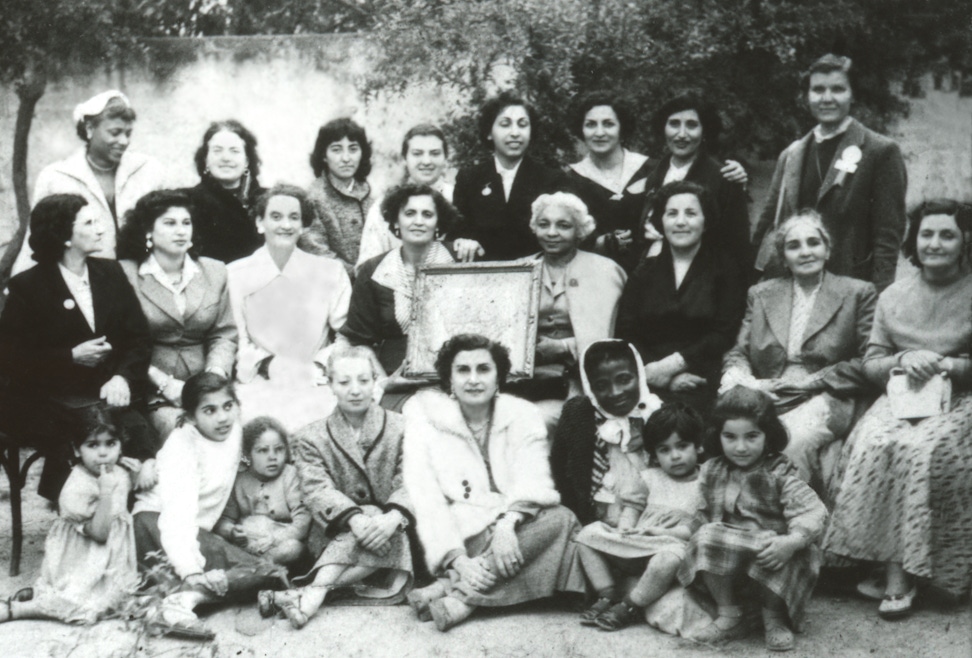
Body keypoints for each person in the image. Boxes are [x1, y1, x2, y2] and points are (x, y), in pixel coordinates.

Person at [824, 200, 972, 619]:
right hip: (903, 394)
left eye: (947, 234)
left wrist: (946, 364)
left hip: (962, 398)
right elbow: (872, 362)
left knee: (923, 451)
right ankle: (875, 563)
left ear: (965, 241)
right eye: (927, 234)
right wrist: (903, 360)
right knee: (873, 441)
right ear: (914, 240)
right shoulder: (894, 295)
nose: (935, 243)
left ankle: (908, 576)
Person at [402, 334, 586, 631]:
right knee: (559, 534)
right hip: (459, 532)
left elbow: (534, 479)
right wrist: (458, 561)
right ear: (449, 378)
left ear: (498, 376)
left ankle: (459, 596)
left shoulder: (523, 414)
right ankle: (458, 582)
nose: (473, 379)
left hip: (513, 529)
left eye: (483, 369)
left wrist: (506, 525)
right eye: (463, 370)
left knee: (562, 519)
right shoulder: (429, 422)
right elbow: (426, 498)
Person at [0, 194, 152, 500]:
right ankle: (75, 508)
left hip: (105, 391)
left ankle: (126, 514)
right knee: (94, 428)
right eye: (89, 223)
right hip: (48, 399)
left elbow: (139, 337)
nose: (100, 229)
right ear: (64, 236)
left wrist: (122, 376)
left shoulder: (109, 273)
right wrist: (70, 357)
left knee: (135, 429)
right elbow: (10, 358)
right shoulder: (28, 287)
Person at [721, 211, 876, 500]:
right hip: (770, 392)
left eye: (813, 243)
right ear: (783, 256)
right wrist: (747, 381)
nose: (805, 252)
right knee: (735, 435)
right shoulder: (762, 294)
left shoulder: (858, 293)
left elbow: (871, 359)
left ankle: (791, 521)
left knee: (789, 439)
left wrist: (815, 381)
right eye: (794, 246)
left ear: (827, 250)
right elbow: (738, 352)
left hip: (827, 393)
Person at [262, 346, 415, 629]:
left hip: (389, 530)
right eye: (344, 382)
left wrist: (392, 518)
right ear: (330, 385)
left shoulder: (402, 427)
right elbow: (317, 489)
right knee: (369, 512)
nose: (355, 390)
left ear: (374, 382)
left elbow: (411, 479)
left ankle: (310, 593)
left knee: (390, 523)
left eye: (363, 380)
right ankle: (317, 591)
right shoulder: (310, 436)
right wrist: (356, 519)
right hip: (334, 533)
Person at [133, 373, 286, 637]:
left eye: (228, 406)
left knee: (274, 575)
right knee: (268, 573)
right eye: (210, 410)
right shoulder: (182, 448)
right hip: (155, 526)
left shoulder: (235, 431)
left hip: (195, 531)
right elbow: (176, 519)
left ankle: (178, 600)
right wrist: (191, 570)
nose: (223, 417)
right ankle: (180, 602)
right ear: (191, 416)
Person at [678, 386, 827, 651]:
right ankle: (730, 614)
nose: (741, 447)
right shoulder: (713, 469)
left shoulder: (781, 472)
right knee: (706, 535)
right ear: (718, 436)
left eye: (751, 436)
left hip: (773, 556)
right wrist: (671, 532)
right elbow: (698, 517)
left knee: (793, 550)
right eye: (730, 437)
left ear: (767, 435)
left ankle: (774, 617)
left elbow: (813, 511)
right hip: (729, 563)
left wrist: (791, 541)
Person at [751, 54, 908, 292]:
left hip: (849, 290)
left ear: (852, 94)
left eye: (837, 89)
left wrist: (877, 300)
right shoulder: (791, 154)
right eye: (818, 90)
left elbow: (887, 238)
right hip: (793, 288)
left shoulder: (880, 152)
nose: (827, 98)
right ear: (807, 97)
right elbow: (767, 225)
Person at [574, 400, 706, 633]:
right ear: (654, 454)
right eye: (664, 450)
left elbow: (697, 528)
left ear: (698, 447)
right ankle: (607, 593)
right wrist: (625, 529)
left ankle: (630, 605)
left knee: (672, 556)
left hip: (669, 546)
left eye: (682, 446)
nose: (674, 456)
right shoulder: (650, 477)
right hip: (637, 544)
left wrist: (661, 532)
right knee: (587, 534)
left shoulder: (706, 482)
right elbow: (632, 508)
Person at [0, 408, 141, 625]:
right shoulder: (76, 487)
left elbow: (123, 502)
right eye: (92, 445)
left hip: (113, 555)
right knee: (85, 606)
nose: (103, 453)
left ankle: (43, 593)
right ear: (77, 449)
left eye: (110, 443)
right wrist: (105, 493)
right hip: (83, 555)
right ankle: (20, 609)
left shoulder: (119, 471)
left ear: (121, 446)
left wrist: (139, 474)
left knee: (120, 599)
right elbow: (100, 534)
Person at [228, 184, 351, 430]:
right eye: (276, 217)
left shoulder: (330, 271)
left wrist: (318, 365)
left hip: (317, 381)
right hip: (259, 381)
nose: (285, 225)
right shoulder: (235, 274)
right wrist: (266, 364)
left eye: (294, 217)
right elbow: (236, 338)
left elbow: (347, 335)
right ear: (259, 223)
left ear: (304, 225)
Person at [117, 189, 238, 439]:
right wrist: (163, 384)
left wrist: (214, 377)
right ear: (147, 231)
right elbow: (121, 343)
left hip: (209, 386)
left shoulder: (214, 271)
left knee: (238, 429)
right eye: (170, 223)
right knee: (184, 433)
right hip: (153, 389)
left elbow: (224, 333)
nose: (181, 231)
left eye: (186, 223)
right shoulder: (125, 274)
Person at [616, 181, 746, 411]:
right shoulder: (644, 271)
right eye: (672, 213)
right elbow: (627, 329)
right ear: (661, 221)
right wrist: (656, 372)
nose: (681, 222)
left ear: (705, 222)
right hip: (648, 376)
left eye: (691, 213)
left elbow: (724, 334)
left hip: (701, 377)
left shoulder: (726, 269)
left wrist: (673, 365)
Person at [11, 90, 165, 275]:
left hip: (144, 276)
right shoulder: (57, 177)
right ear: (90, 129)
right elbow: (36, 239)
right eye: (115, 133)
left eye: (128, 133)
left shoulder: (148, 169)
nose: (123, 141)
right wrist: (20, 287)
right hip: (84, 282)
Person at [510, 192, 627, 431]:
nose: (552, 233)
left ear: (579, 231)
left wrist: (563, 347)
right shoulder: (518, 269)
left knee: (539, 421)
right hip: (525, 381)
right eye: (544, 225)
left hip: (582, 381)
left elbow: (615, 336)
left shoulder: (605, 271)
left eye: (563, 225)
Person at [341, 183, 460, 383]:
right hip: (395, 377)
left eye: (427, 215)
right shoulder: (374, 270)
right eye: (410, 213)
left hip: (455, 377)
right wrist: (384, 383)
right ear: (396, 221)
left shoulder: (460, 260)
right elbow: (359, 342)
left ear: (438, 223)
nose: (418, 221)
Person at [641, 91, 752, 276]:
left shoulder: (724, 177)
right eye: (674, 124)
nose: (681, 134)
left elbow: (737, 247)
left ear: (704, 131)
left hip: (704, 282)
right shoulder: (654, 176)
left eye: (691, 125)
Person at [450, 92, 568, 261]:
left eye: (522, 124)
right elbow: (458, 231)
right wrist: (464, 241)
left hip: (538, 272)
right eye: (505, 124)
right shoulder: (469, 179)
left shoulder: (551, 179)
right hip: (482, 275)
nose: (515, 133)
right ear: (489, 132)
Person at [564, 92, 653, 272]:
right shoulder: (570, 179)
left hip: (650, 274)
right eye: (590, 125)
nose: (599, 133)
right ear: (581, 130)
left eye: (608, 124)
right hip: (594, 276)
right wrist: (601, 243)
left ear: (622, 128)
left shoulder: (651, 169)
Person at [356, 124, 465, 269]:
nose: (426, 161)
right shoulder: (384, 206)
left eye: (434, 153)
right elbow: (366, 267)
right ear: (404, 158)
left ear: (445, 157)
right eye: (417, 153)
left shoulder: (461, 199)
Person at [214, 416, 310, 566]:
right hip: (246, 545)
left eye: (279, 449)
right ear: (247, 454)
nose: (272, 457)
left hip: (279, 544)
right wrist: (231, 531)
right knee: (216, 543)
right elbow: (225, 519)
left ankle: (262, 568)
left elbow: (303, 521)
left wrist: (274, 539)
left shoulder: (290, 475)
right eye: (263, 451)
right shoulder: (239, 480)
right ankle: (251, 569)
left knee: (293, 548)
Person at [300, 118, 374, 274]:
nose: (346, 158)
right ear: (324, 156)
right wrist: (357, 275)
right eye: (336, 149)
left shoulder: (372, 194)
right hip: (334, 285)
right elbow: (316, 252)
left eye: (353, 149)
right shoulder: (313, 197)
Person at [185, 120, 266, 263]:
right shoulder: (187, 201)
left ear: (247, 160)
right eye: (217, 150)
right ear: (206, 160)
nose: (226, 158)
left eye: (234, 151)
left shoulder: (268, 200)